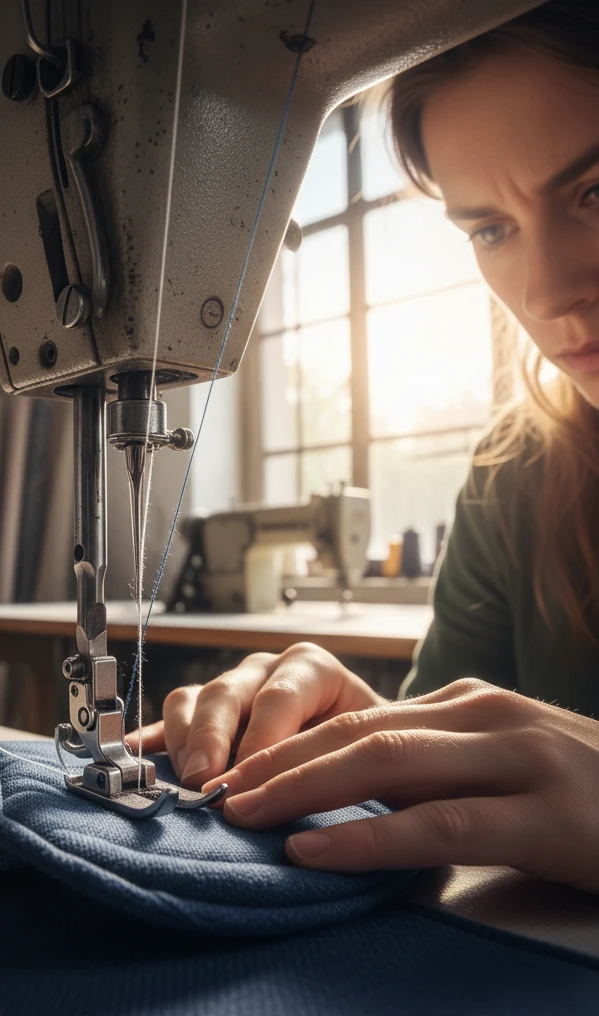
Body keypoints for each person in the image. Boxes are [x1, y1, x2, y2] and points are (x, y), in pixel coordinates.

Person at [130, 1, 599, 894]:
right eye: (489, 230)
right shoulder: (520, 477)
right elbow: (469, 761)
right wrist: (369, 739)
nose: (543, 293)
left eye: (595, 190)